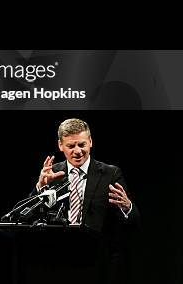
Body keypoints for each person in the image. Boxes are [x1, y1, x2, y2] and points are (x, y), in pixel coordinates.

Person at [32, 118, 140, 282]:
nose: (77, 151)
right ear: (61, 145)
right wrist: (40, 187)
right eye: (71, 146)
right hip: (58, 262)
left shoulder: (111, 174)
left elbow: (134, 222)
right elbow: (28, 214)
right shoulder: (51, 173)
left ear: (90, 142)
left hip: (98, 263)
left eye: (82, 144)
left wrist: (127, 207)